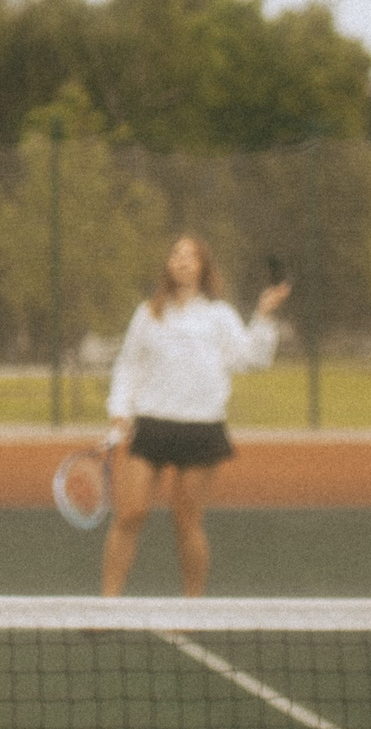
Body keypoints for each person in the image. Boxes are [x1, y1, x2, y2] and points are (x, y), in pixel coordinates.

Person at [98, 235, 286, 597]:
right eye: (176, 254)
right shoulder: (148, 313)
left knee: (186, 523)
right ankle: (107, 607)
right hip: (152, 426)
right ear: (169, 265)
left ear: (203, 267)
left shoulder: (219, 316)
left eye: (191, 256)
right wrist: (119, 411)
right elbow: (128, 365)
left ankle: (194, 610)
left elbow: (253, 360)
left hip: (201, 430)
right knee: (129, 514)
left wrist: (263, 315)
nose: (182, 260)